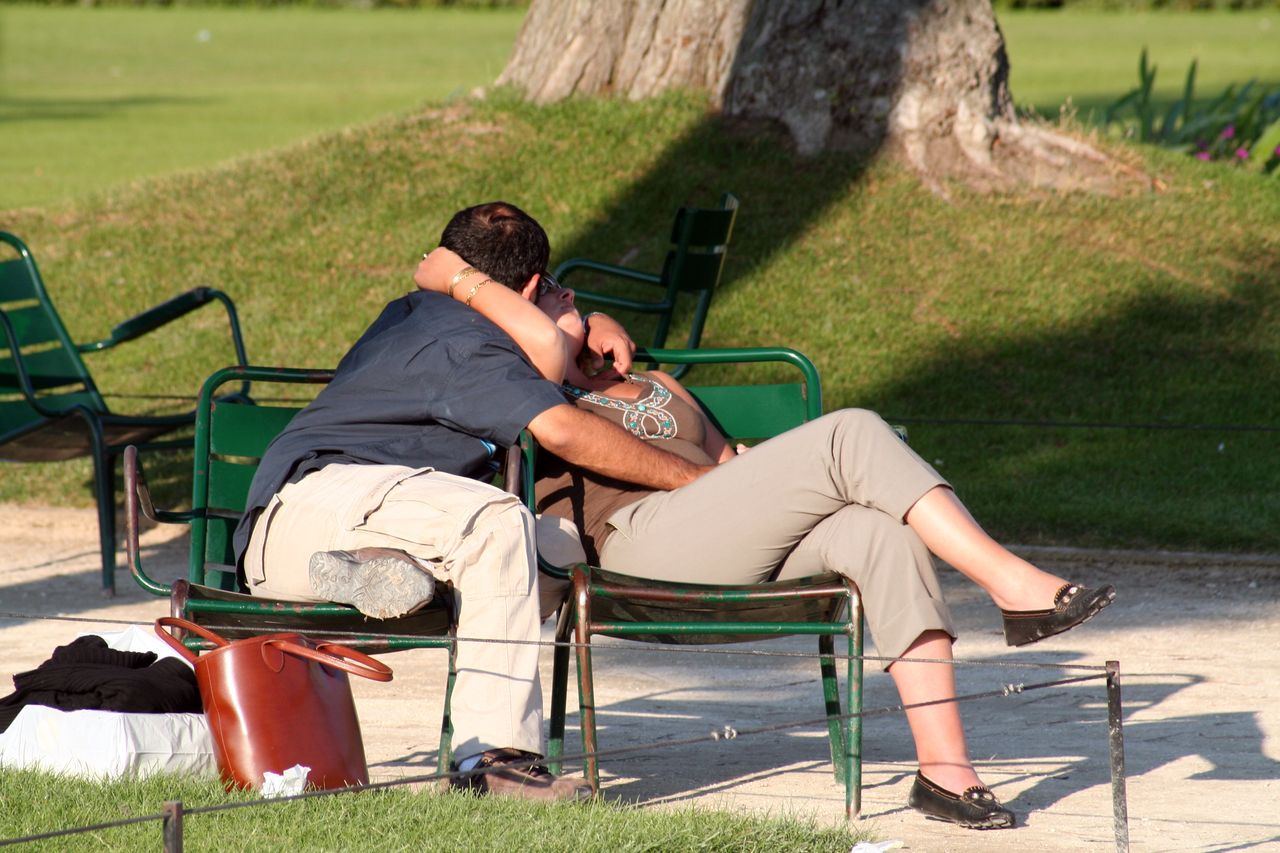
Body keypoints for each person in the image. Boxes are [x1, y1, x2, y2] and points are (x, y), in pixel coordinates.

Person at [416, 208, 1117, 829]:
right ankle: (1010, 584)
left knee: (880, 534)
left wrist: (597, 336)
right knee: (852, 432)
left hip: (720, 526)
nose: (579, 299)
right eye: (559, 291)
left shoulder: (648, 376)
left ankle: (945, 772)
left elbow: (730, 463)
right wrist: (509, 306)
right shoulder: (505, 372)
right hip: (642, 543)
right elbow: (500, 339)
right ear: (531, 302)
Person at [233, 202, 717, 801]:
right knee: (495, 523)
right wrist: (698, 483)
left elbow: (543, 341)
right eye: (558, 291)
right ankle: (492, 762)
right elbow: (562, 427)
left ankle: (393, 570)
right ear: (533, 287)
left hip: (386, 514)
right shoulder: (467, 340)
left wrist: (589, 319)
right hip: (315, 509)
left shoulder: (429, 317)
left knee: (561, 549)